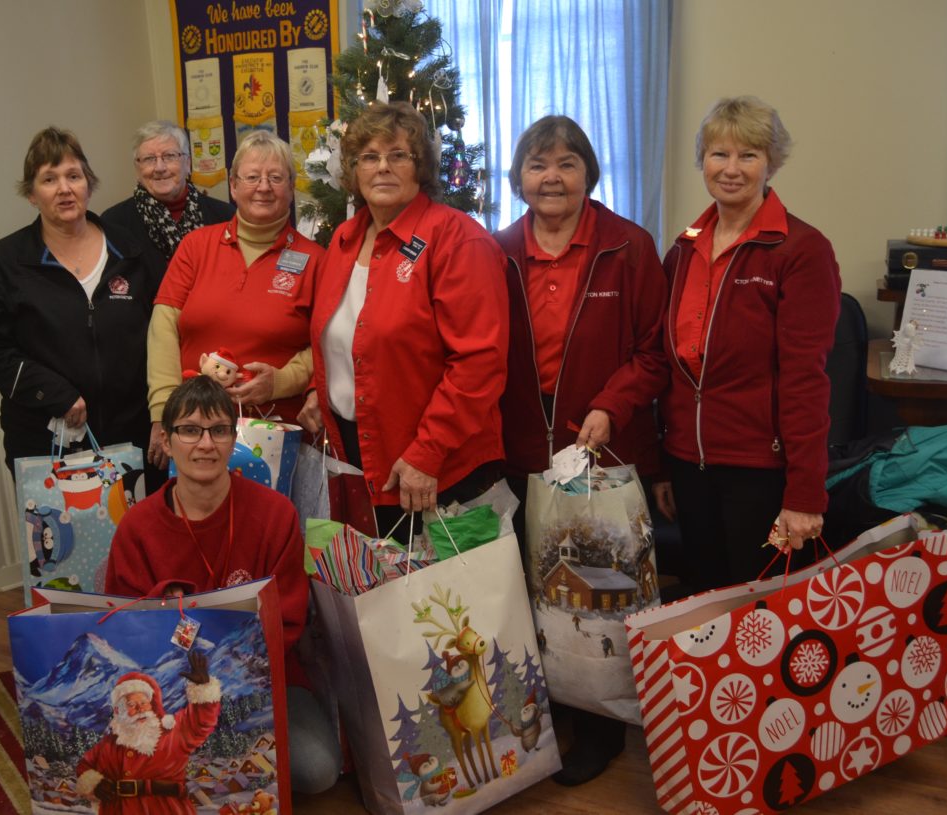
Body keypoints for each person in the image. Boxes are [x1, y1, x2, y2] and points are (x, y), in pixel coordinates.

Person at [494, 114, 668, 787]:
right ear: (519, 178)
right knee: (528, 590)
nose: (552, 177)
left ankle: (599, 728)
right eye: (538, 165)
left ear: (589, 173)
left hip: (601, 455)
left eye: (566, 163)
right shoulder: (497, 249)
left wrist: (611, 403)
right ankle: (543, 717)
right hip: (515, 452)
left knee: (595, 596)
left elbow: (655, 350)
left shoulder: (628, 246)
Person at [106, 376, 340, 794]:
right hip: (170, 695)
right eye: (190, 430)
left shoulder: (275, 514)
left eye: (218, 430)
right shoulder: (136, 529)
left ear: (234, 438)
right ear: (167, 439)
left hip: (262, 681)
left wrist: (234, 677)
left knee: (318, 770)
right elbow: (126, 632)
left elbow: (288, 620)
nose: (205, 444)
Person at [652, 96, 841, 592]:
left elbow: (806, 379)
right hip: (688, 468)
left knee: (762, 621)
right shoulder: (682, 250)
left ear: (770, 163)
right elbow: (669, 368)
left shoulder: (801, 250)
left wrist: (805, 492)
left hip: (761, 473)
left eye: (748, 155)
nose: (731, 169)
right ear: (702, 161)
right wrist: (664, 462)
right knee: (706, 607)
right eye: (719, 154)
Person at [297, 101, 508, 534]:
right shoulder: (343, 239)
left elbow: (478, 364)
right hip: (360, 454)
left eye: (398, 155)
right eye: (369, 157)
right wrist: (328, 389)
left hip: (437, 466)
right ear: (352, 171)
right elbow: (344, 336)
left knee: (445, 600)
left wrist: (427, 452)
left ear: (421, 166)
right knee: (381, 595)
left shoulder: (458, 240)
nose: (382, 168)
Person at [0, 126, 159, 477]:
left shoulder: (130, 250)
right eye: (49, 179)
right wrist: (51, 392)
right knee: (58, 533)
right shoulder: (8, 260)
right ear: (31, 194)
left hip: (132, 436)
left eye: (74, 175)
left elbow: (164, 332)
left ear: (88, 184)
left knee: (139, 532)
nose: (65, 189)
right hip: (46, 442)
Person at [147, 129, 323, 470]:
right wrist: (163, 411)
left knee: (270, 523)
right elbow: (163, 330)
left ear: (291, 187)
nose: (263, 187)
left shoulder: (316, 260)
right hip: (193, 430)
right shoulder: (196, 247)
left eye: (276, 177)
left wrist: (280, 382)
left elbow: (327, 344)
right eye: (252, 177)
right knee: (196, 521)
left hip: (275, 435)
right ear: (233, 185)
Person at [75, 654, 220, 813]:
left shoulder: (172, 733)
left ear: (152, 705)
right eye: (131, 704)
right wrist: (95, 784)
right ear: (120, 711)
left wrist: (203, 689)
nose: (139, 709)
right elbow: (84, 766)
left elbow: (201, 722)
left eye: (144, 703)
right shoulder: (109, 744)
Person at [101, 120, 234, 281]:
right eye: (149, 159)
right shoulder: (114, 223)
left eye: (169, 156)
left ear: (188, 163)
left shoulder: (225, 217)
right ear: (137, 168)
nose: (159, 168)